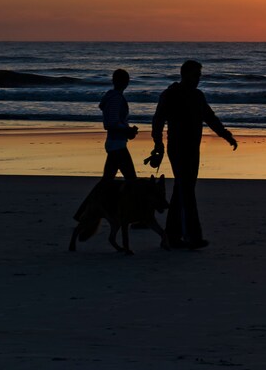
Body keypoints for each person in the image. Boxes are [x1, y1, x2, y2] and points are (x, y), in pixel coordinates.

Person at [149, 60, 237, 250]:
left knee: (181, 191)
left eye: (199, 75)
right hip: (177, 148)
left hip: (192, 149)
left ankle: (171, 237)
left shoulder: (198, 96)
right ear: (185, 74)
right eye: (195, 75)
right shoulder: (170, 95)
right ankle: (193, 236)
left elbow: (210, 117)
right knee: (186, 191)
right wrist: (157, 143)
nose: (198, 79)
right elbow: (158, 120)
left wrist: (226, 135)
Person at [99, 68, 139, 184]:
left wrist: (127, 130)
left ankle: (101, 200)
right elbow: (112, 123)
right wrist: (127, 130)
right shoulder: (116, 98)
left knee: (108, 179)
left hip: (114, 143)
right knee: (131, 179)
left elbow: (113, 121)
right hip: (117, 144)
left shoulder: (111, 97)